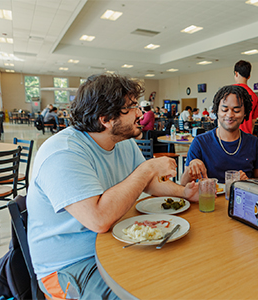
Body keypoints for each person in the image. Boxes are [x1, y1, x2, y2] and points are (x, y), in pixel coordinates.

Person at [27, 74, 199, 300]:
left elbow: (148, 183)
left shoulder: (122, 141)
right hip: (70, 264)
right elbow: (98, 219)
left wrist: (184, 192)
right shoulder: (63, 153)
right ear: (106, 119)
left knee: (180, 274)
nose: (140, 113)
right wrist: (147, 168)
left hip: (115, 244)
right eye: (132, 107)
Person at [181, 85, 258, 184]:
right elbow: (183, 185)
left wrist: (247, 181)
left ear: (245, 113)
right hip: (209, 198)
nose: (230, 115)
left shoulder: (253, 143)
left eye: (236, 110)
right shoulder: (200, 142)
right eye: (224, 110)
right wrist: (190, 168)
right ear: (216, 111)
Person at [234, 60, 258, 135]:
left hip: (230, 136)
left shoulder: (229, 92)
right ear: (249, 76)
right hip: (246, 137)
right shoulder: (254, 96)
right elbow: (253, 121)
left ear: (236, 73)